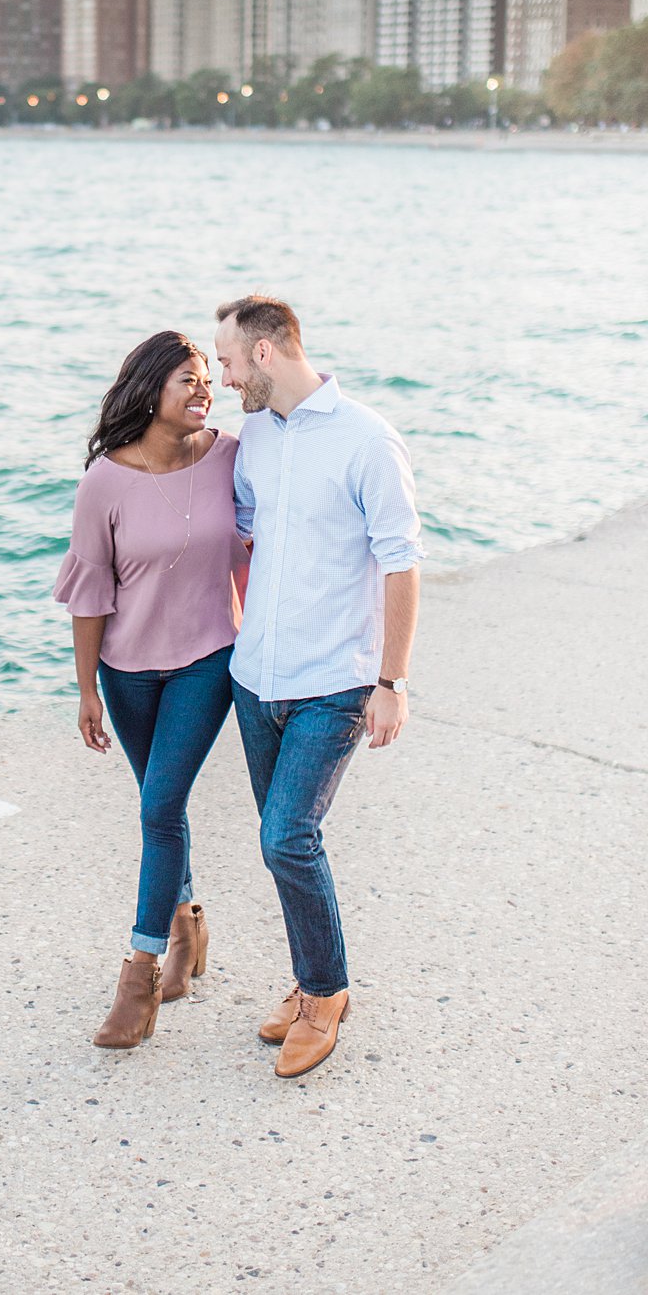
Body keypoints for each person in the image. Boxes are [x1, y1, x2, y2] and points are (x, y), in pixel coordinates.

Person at [213, 294, 423, 1078]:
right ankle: (306, 984)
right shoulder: (256, 438)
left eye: (229, 361)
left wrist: (391, 680)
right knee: (282, 846)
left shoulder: (368, 439)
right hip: (254, 679)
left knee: (286, 836)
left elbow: (402, 561)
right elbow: (237, 533)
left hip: (334, 683)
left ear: (265, 354)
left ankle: (328, 994)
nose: (225, 377)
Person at [54, 331, 247, 1049]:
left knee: (162, 804)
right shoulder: (105, 480)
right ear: (149, 393)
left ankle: (140, 974)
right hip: (127, 669)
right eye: (187, 383)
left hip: (209, 659)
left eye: (206, 380)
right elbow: (89, 592)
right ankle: (189, 925)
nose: (203, 392)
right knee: (158, 805)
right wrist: (86, 690)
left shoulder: (232, 457)